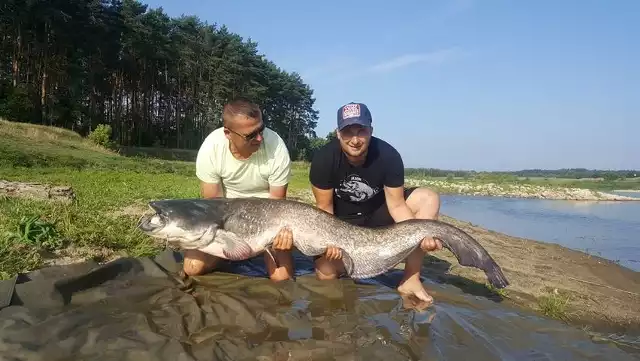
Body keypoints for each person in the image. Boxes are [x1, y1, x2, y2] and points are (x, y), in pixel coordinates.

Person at [308, 101, 443, 308]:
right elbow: (324, 209)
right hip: (341, 223)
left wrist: (422, 234)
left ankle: (410, 279)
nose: (355, 140)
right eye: (347, 132)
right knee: (326, 273)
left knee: (428, 198)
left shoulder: (388, 155)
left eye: (361, 131)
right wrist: (330, 241)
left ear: (371, 130)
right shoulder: (324, 159)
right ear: (337, 133)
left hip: (378, 215)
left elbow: (397, 206)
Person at [187, 97, 295, 281]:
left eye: (261, 129)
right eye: (251, 135)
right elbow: (213, 207)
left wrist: (265, 241)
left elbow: (278, 206)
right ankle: (231, 257)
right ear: (228, 133)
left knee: (281, 278)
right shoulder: (211, 148)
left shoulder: (276, 146)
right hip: (228, 219)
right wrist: (233, 241)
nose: (260, 138)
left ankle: (252, 253)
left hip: (267, 219)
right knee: (192, 268)